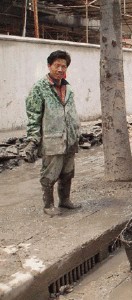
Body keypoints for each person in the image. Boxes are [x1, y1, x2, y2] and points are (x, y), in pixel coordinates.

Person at [25, 50, 81, 216]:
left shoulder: (67, 87)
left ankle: (65, 201)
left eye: (63, 66)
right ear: (49, 66)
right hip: (52, 140)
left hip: (70, 139)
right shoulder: (39, 88)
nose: (60, 69)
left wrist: (76, 131)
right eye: (57, 65)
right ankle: (48, 205)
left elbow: (71, 112)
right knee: (50, 174)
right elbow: (33, 116)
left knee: (67, 172)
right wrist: (33, 140)